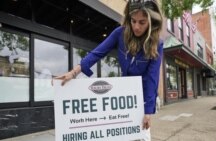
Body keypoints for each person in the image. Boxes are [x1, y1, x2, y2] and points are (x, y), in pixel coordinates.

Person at [53, 0, 163, 140]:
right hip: (124, 95)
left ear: (151, 22)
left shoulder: (157, 43)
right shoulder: (120, 33)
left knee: (142, 135)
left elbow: (152, 78)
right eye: (133, 21)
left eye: (142, 22)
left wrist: (148, 112)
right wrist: (73, 72)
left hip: (143, 97)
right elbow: (97, 53)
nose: (136, 26)